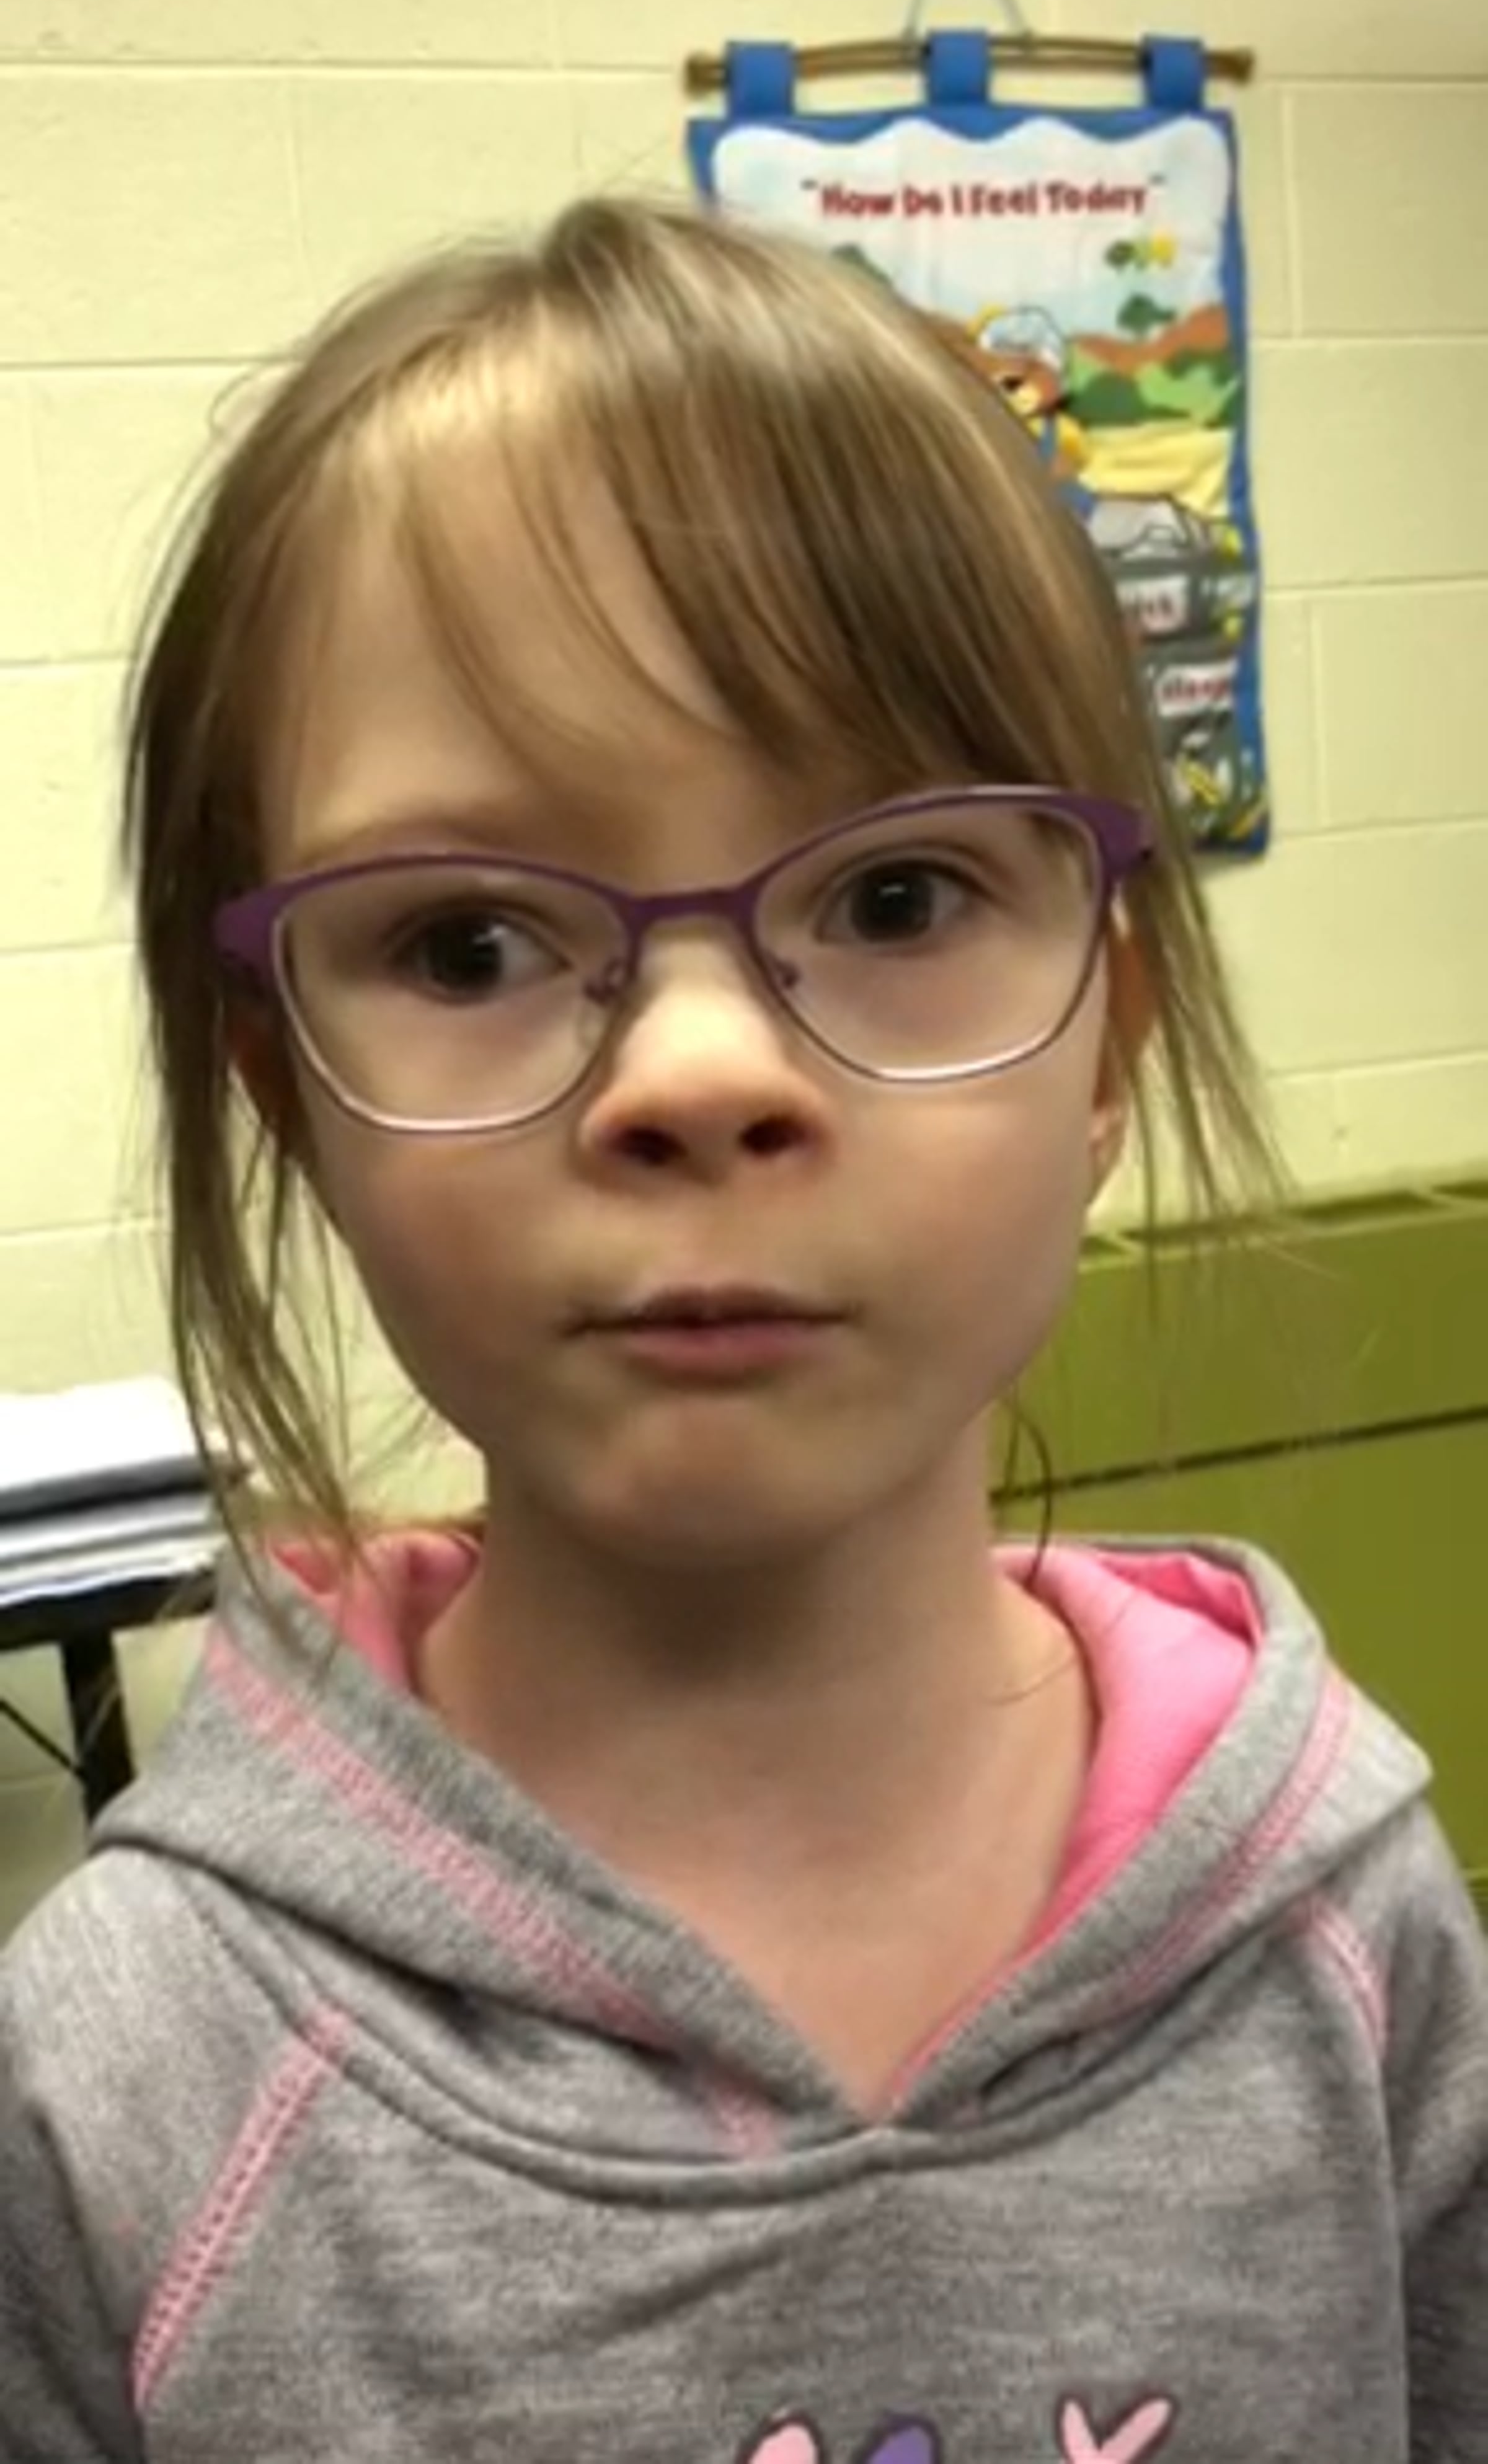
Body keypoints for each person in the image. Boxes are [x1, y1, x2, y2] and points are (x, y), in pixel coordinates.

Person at [1, 198, 1482, 2464]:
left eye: (897, 893)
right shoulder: (118, 2091)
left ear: (1105, 1045)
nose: (699, 1072)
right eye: (471, 942)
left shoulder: (1352, 1932)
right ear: (287, 1090)